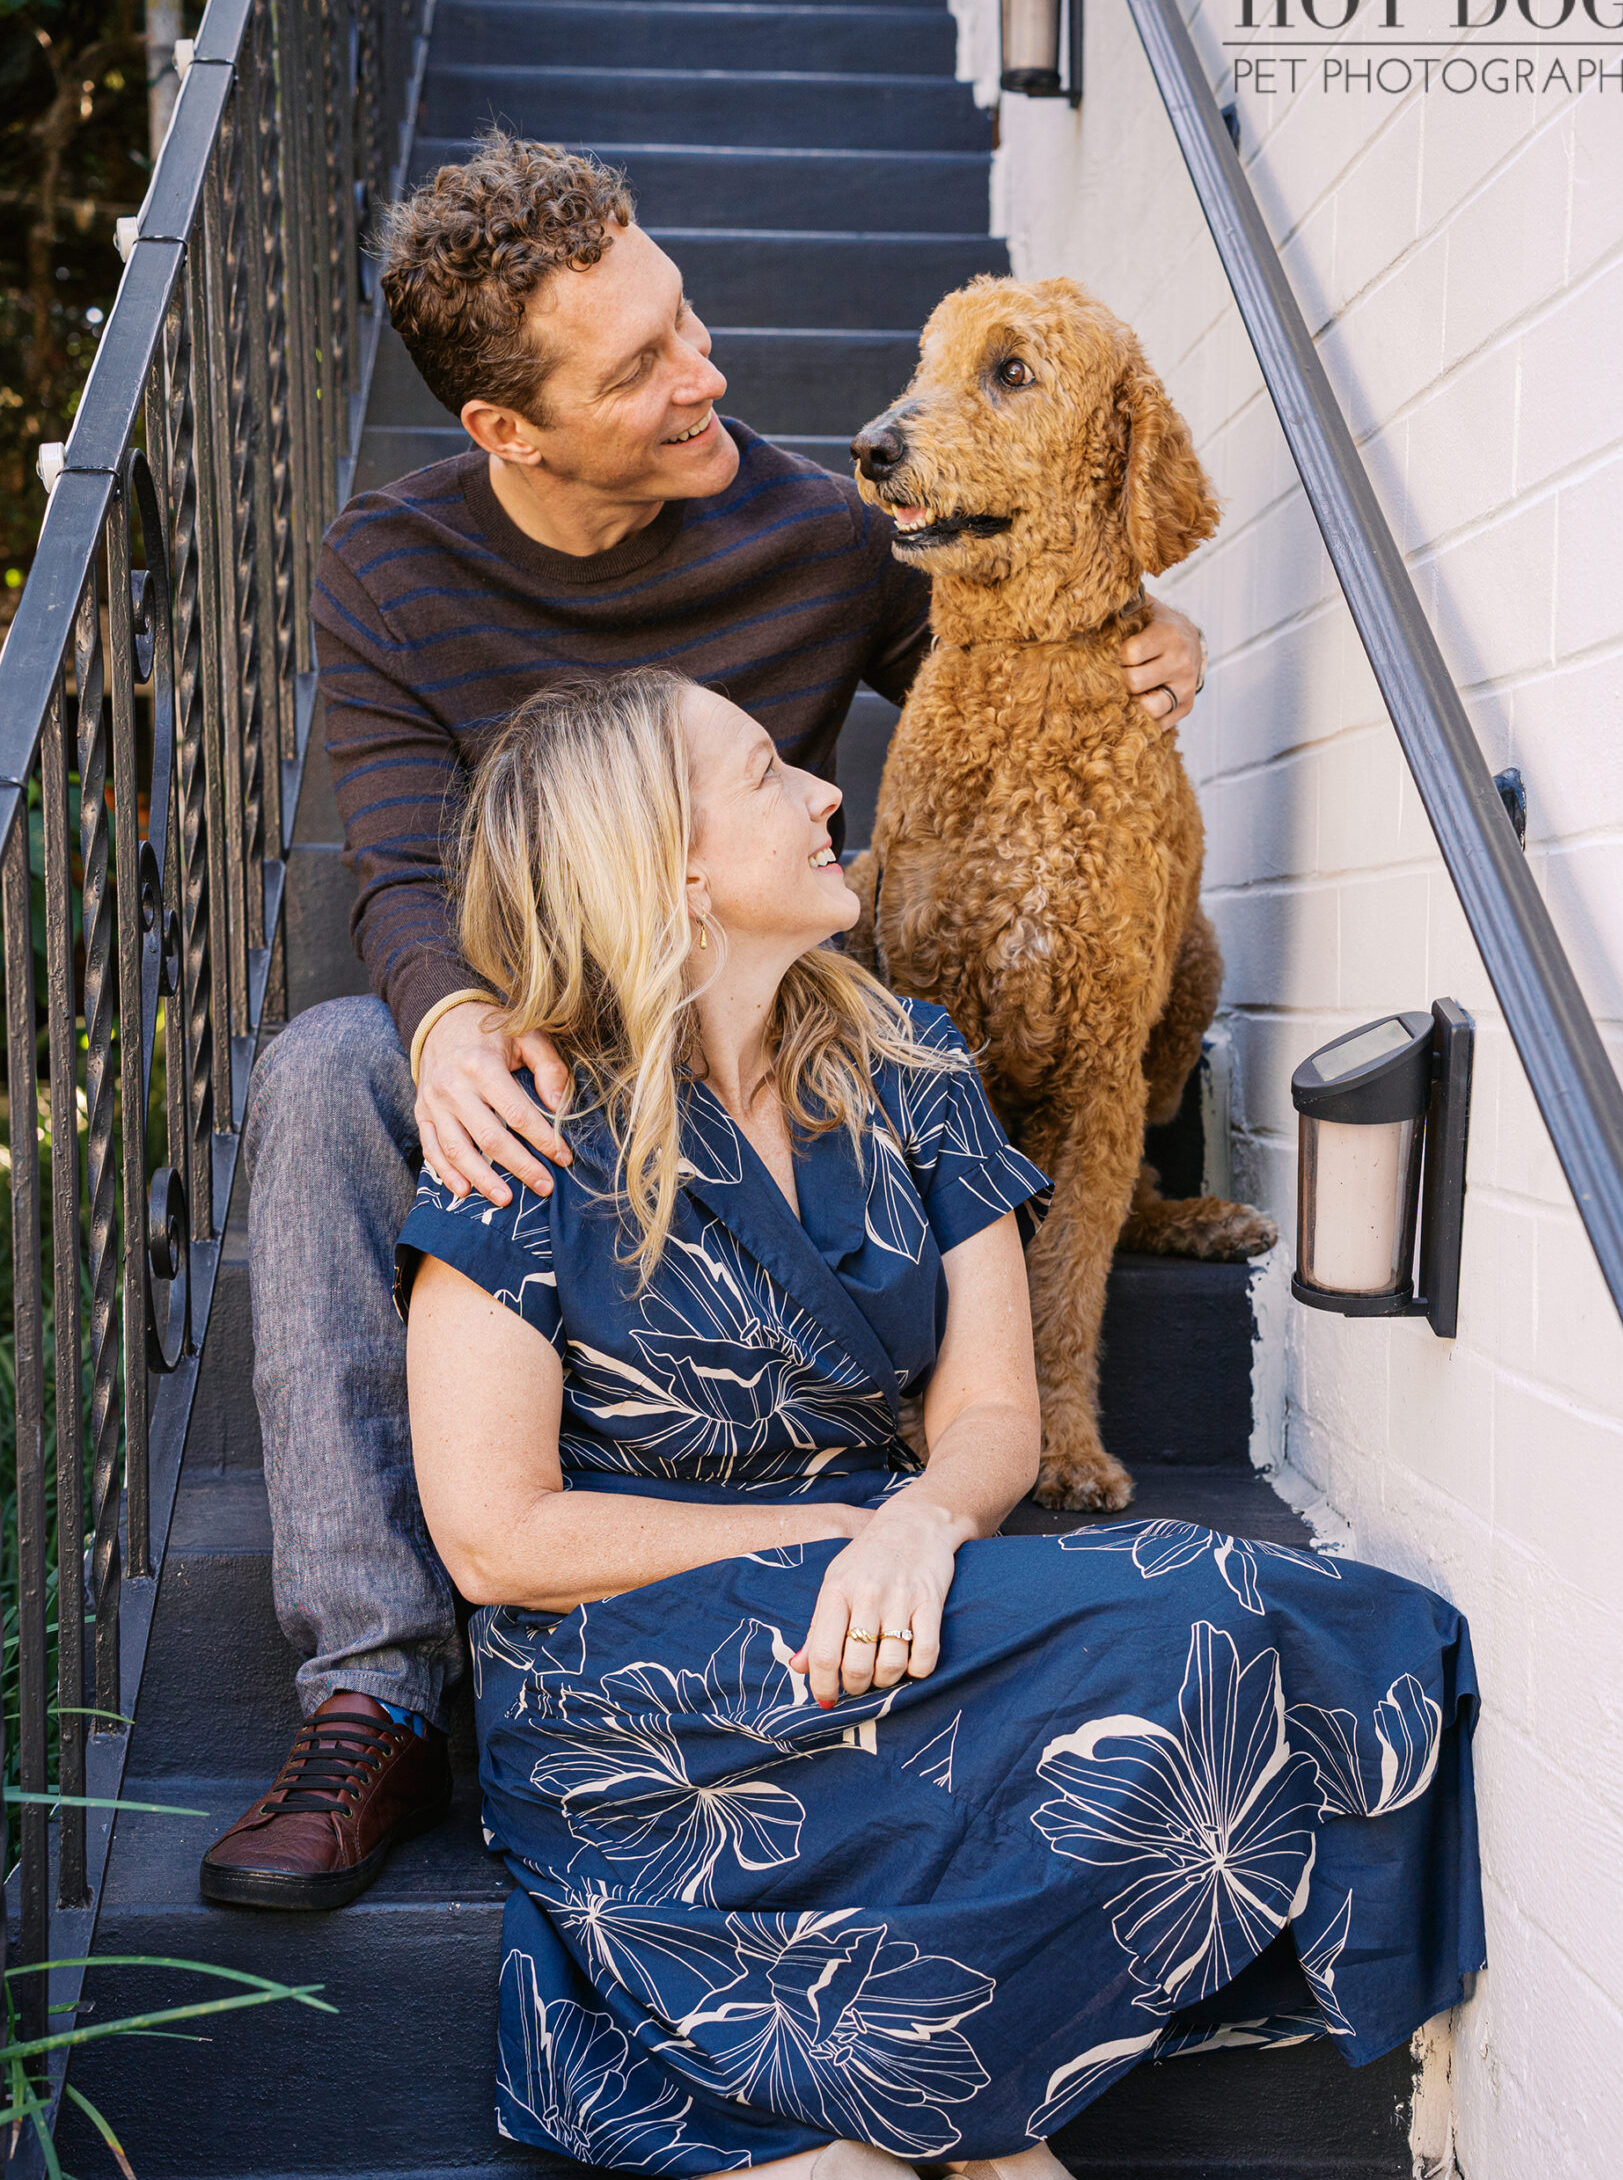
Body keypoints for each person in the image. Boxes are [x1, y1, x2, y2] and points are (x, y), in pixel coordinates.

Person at [389, 668, 1484, 2180]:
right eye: (769, 774)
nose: (829, 793)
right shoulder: (530, 1122)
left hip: (905, 1578)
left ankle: (972, 2099)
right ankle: (772, 2143)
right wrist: (830, 1534)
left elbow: (987, 1408)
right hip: (646, 1650)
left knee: (1252, 1618)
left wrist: (916, 1523)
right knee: (1155, 1625)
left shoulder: (908, 1064)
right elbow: (494, 1534)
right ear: (671, 867)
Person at [199, 133, 1210, 1913]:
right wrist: (440, 1019)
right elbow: (395, 858)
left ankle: (857, 1515)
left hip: (759, 1013)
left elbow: (1006, 625)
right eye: (641, 369)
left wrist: (1147, 632)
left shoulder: (821, 532)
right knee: (321, 1067)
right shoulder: (388, 564)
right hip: (538, 1018)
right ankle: (371, 1688)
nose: (709, 381)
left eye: (688, 320)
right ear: (508, 429)